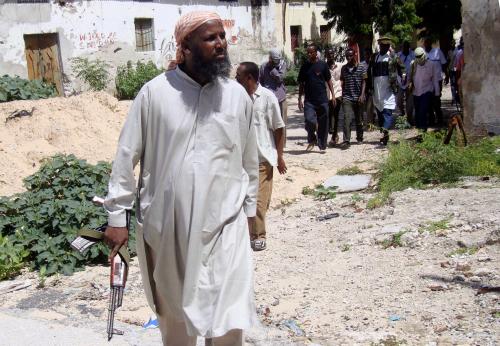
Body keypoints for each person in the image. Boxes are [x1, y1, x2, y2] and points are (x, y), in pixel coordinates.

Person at [102, 11, 258, 346]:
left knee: (229, 317)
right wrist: (117, 216)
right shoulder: (155, 94)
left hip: (225, 226)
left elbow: (249, 161)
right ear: (185, 46)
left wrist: (250, 213)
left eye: (222, 37)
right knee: (175, 321)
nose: (220, 45)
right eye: (210, 38)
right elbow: (126, 156)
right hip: (168, 230)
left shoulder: (236, 97)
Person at [236, 62, 287, 251]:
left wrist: (279, 156)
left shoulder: (267, 98)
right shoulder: (238, 98)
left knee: (258, 201)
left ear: (249, 78)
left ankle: (258, 235)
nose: (235, 80)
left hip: (262, 159)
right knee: (247, 199)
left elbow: (279, 127)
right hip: (242, 161)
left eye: (238, 76)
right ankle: (250, 232)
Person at [298, 44, 335, 152]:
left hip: (322, 99)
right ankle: (312, 139)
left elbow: (329, 81)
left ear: (316, 52)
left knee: (323, 122)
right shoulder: (304, 67)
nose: (309, 54)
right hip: (309, 100)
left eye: (311, 52)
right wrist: (299, 98)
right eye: (308, 52)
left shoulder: (323, 65)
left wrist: (332, 95)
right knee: (310, 120)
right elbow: (301, 84)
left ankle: (322, 144)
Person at [370, 36, 399, 145]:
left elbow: (401, 68)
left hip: (388, 87)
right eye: (383, 45)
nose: (385, 47)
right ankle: (385, 134)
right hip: (377, 88)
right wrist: (369, 86)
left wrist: (404, 77)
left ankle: (386, 130)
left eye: (387, 46)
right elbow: (369, 71)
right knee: (380, 112)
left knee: (388, 110)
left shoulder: (393, 57)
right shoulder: (374, 57)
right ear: (380, 46)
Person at [339, 48, 367, 148]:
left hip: (358, 97)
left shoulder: (361, 67)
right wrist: (342, 95)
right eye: (347, 56)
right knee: (347, 118)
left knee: (359, 119)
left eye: (351, 55)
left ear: (355, 55)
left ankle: (359, 137)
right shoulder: (344, 68)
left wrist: (362, 95)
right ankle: (346, 140)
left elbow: (364, 81)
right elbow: (342, 82)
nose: (349, 58)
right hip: (347, 97)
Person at [259, 48, 288, 146]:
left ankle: (281, 144)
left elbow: (280, 78)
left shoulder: (282, 65)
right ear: (270, 58)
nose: (276, 62)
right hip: (268, 98)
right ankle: (271, 143)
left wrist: (273, 69)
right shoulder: (263, 66)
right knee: (268, 121)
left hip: (280, 97)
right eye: (274, 60)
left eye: (277, 60)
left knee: (282, 121)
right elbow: (260, 81)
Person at [408, 47, 440, 132]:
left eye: (420, 56)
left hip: (427, 91)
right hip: (416, 92)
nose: (419, 58)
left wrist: (437, 94)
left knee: (423, 111)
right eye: (417, 56)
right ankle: (420, 131)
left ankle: (423, 131)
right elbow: (409, 77)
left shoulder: (431, 65)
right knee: (418, 113)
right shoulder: (413, 64)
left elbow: (435, 80)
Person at [423, 38, 447, 126]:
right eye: (426, 43)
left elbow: (444, 64)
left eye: (428, 43)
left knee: (436, 100)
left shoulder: (438, 51)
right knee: (428, 100)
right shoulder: (422, 54)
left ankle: (440, 119)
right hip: (426, 81)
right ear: (424, 44)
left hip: (437, 80)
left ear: (430, 43)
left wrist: (446, 75)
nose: (427, 44)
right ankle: (431, 120)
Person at [326, 47, 342, 146]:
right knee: (328, 114)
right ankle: (330, 131)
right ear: (326, 56)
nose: (330, 56)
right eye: (328, 54)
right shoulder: (323, 67)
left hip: (338, 93)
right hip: (327, 94)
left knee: (336, 115)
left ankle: (334, 136)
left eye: (331, 54)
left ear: (334, 55)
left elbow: (342, 78)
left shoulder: (339, 66)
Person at [396, 41, 415, 123]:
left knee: (410, 102)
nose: (405, 49)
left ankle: (409, 119)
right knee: (399, 100)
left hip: (410, 81)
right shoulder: (398, 55)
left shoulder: (413, 55)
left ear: (409, 47)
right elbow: (396, 67)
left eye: (407, 47)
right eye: (404, 47)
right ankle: (402, 111)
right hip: (401, 81)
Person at [360, 47, 375, 128]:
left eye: (368, 54)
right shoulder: (361, 65)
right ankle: (362, 122)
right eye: (366, 54)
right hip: (363, 88)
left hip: (371, 88)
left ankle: (370, 123)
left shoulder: (373, 64)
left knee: (370, 107)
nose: (367, 56)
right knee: (362, 107)